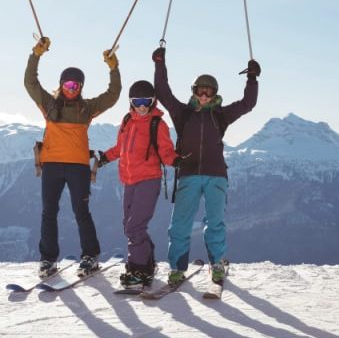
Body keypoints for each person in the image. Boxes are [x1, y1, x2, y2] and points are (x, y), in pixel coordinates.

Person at [151, 46, 259, 285]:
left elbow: (248, 103)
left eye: (209, 92)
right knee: (180, 225)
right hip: (188, 174)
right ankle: (177, 268)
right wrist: (160, 63)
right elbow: (163, 91)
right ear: (194, 91)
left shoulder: (221, 115)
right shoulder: (182, 113)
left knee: (215, 223)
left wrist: (252, 78)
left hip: (216, 176)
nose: (204, 95)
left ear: (215, 94)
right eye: (201, 90)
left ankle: (217, 264)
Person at [24, 36, 121, 277]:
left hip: (77, 167)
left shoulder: (87, 108)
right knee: (49, 212)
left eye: (76, 86)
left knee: (81, 211)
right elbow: (30, 83)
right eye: (68, 85)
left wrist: (113, 68)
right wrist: (36, 54)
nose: (72, 89)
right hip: (53, 166)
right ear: (61, 85)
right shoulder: (48, 104)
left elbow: (113, 94)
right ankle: (48, 259)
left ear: (81, 88)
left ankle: (90, 255)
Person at [97, 80, 182, 288]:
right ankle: (147, 262)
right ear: (131, 102)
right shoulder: (127, 121)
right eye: (138, 101)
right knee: (129, 225)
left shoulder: (157, 124)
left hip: (148, 180)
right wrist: (104, 158)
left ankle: (139, 269)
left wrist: (178, 161)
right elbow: (121, 148)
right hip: (128, 180)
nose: (142, 106)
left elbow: (166, 151)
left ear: (153, 101)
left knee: (135, 226)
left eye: (146, 101)